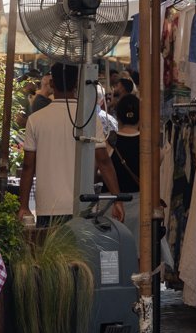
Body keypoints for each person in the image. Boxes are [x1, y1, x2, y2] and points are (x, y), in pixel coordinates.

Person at [18, 67, 123, 225]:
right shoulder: (89, 119)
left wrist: (24, 206)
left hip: (48, 207)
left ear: (52, 83)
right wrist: (117, 199)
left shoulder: (35, 120)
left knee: (49, 250)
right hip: (82, 205)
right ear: (76, 84)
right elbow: (104, 161)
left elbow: (28, 166)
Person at [105, 95, 143, 197]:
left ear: (117, 116)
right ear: (141, 116)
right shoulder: (149, 143)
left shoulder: (108, 143)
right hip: (141, 205)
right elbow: (160, 157)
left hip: (112, 205)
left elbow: (94, 174)